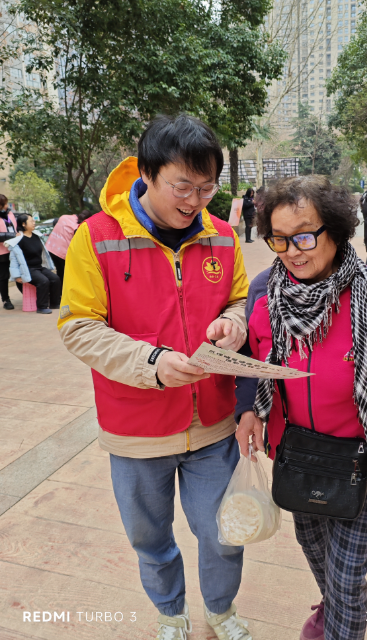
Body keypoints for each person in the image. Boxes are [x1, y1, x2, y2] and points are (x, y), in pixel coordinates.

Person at [57, 114, 253, 640]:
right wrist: (152, 363)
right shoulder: (97, 237)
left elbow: (239, 299)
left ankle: (221, 610)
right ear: (147, 174)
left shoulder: (222, 236)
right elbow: (78, 326)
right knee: (150, 538)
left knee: (222, 532)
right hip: (136, 429)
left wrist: (234, 324)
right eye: (182, 187)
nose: (195, 201)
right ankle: (170, 612)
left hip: (212, 423)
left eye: (207, 188)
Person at [234, 175, 367, 640]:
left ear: (335, 231)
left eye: (304, 236)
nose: (292, 252)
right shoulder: (264, 291)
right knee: (316, 551)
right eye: (279, 239)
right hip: (296, 456)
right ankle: (333, 608)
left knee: (347, 578)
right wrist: (248, 409)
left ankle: (340, 616)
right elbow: (253, 360)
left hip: (358, 462)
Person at [7, 213, 61, 314]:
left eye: (33, 221)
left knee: (55, 279)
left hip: (39, 267)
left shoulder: (37, 236)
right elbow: (13, 260)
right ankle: (41, 307)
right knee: (43, 281)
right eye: (31, 221)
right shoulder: (18, 240)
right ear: (23, 224)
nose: (34, 222)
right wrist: (16, 276)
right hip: (27, 269)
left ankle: (54, 303)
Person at [46, 209, 92, 281]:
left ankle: (59, 287)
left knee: (60, 271)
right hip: (62, 252)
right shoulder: (79, 226)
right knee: (66, 274)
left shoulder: (64, 217)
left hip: (50, 247)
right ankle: (63, 287)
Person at [0, 194, 17, 309]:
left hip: (14, 249)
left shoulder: (10, 213)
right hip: (2, 252)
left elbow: (16, 227)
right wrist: (12, 235)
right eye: (4, 204)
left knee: (20, 272)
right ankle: (6, 300)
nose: (6, 206)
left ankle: (28, 295)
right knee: (4, 276)